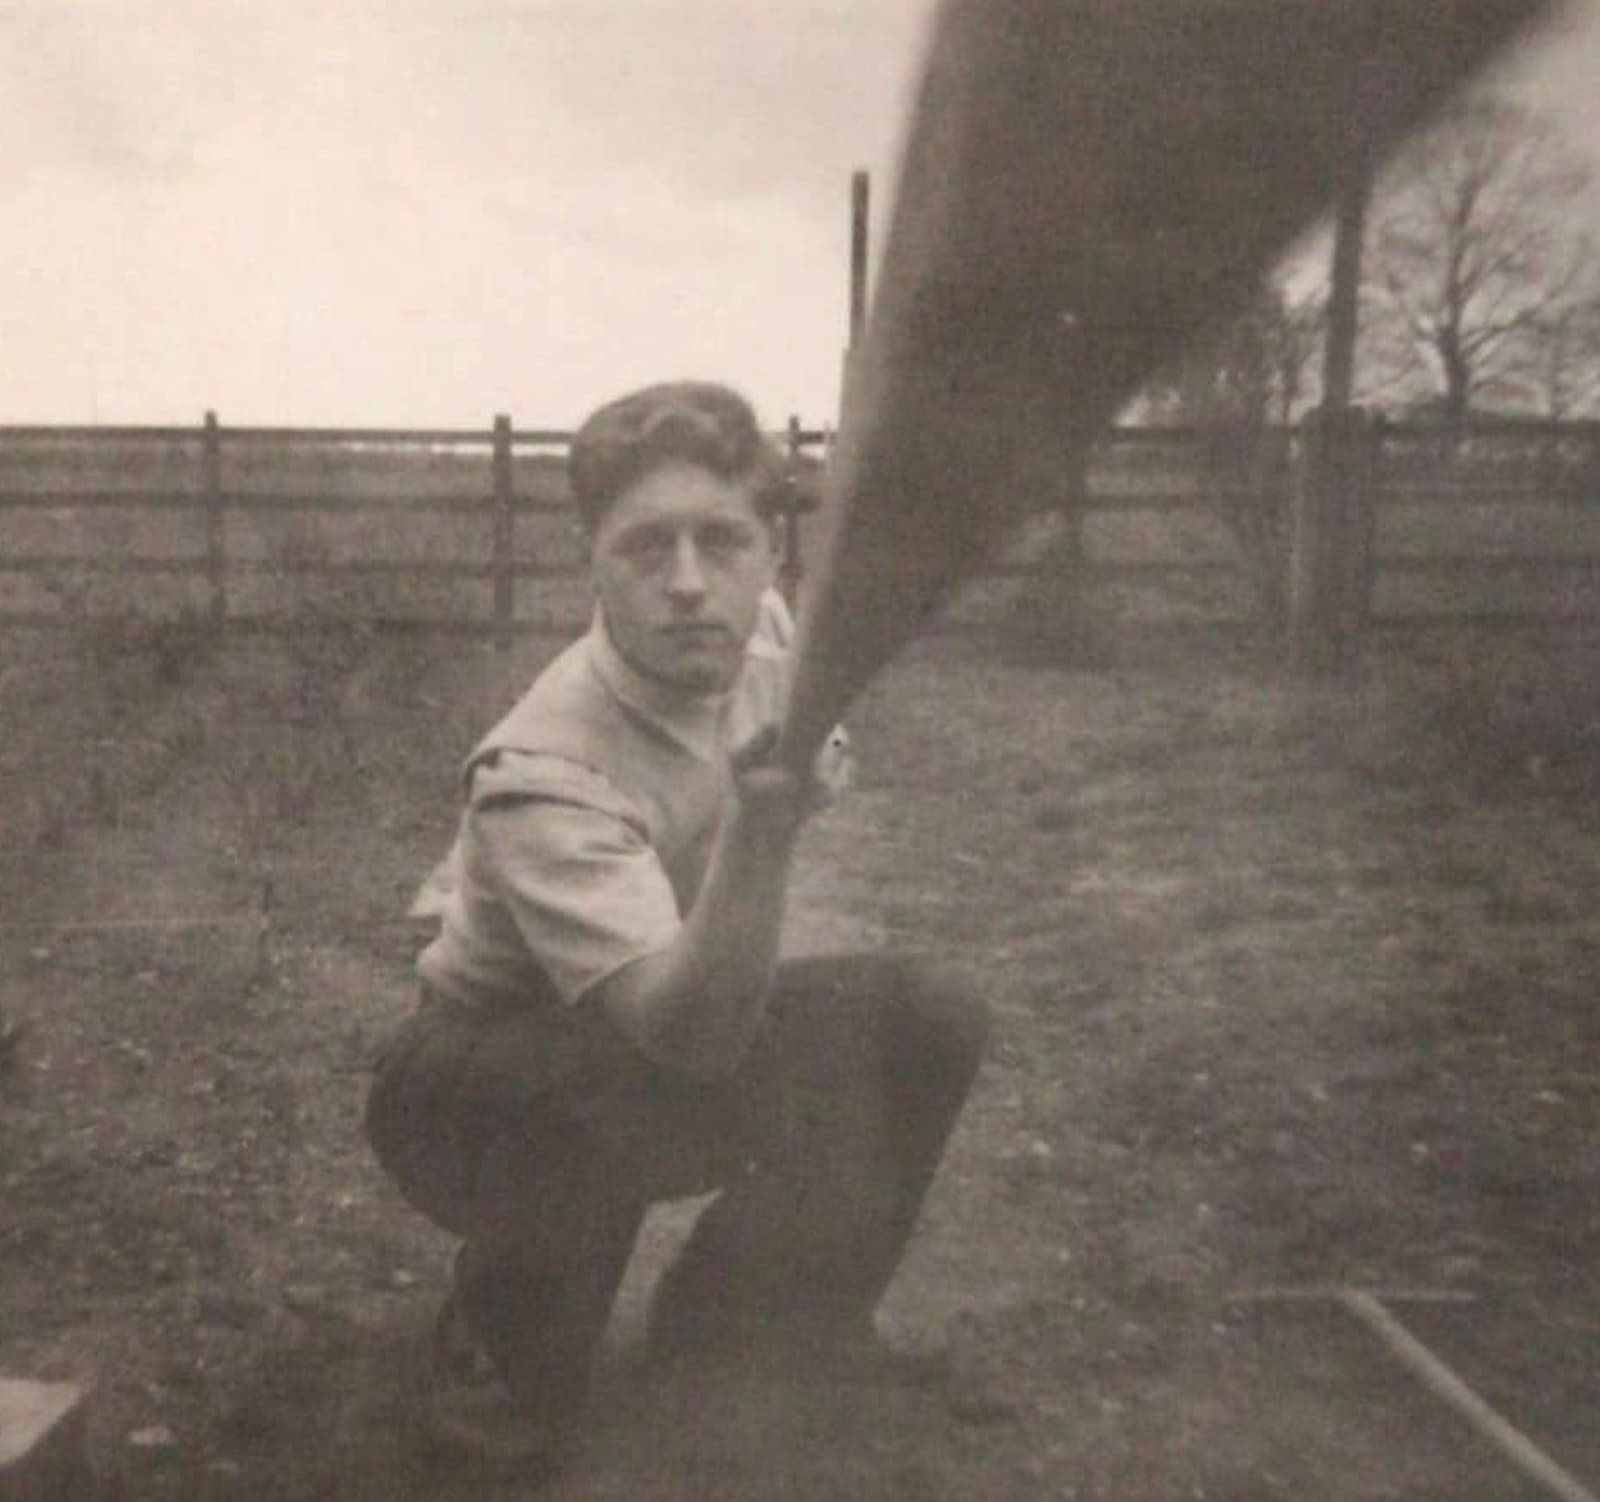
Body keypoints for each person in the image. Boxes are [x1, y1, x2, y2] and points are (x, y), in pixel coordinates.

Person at [364, 380, 987, 1474]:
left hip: (628, 1019)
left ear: (771, 555)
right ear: (590, 560)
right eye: (646, 546)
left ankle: (738, 1325)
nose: (691, 584)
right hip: (469, 1082)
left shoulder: (770, 641)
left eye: (723, 541)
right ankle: (500, 1351)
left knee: (922, 1017)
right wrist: (757, 833)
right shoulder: (543, 765)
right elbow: (685, 1037)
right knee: (614, 1079)